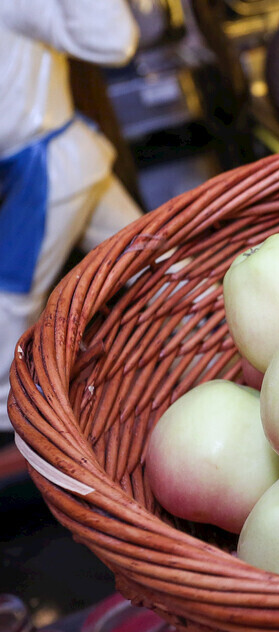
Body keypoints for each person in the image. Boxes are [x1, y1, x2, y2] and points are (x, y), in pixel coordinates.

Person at [1, 1, 142, 445]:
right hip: (55, 163)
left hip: (49, 170)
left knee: (10, 296)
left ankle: (11, 417)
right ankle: (202, 322)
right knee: (145, 257)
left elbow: (112, 39)